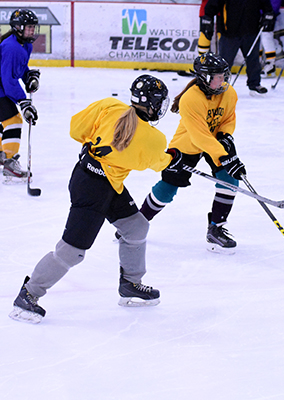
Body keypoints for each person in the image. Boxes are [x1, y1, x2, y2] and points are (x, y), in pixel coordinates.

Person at [9, 74, 183, 324]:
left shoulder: (109, 106)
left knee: (136, 226)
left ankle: (131, 284)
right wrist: (172, 160)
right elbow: (156, 163)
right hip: (93, 191)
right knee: (72, 251)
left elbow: (76, 129)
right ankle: (29, 294)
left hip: (91, 178)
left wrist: (93, 145)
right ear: (154, 104)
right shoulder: (152, 138)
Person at [137, 53, 247, 255]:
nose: (222, 81)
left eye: (223, 76)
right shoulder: (191, 99)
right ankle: (136, 223)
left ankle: (216, 228)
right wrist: (224, 155)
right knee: (168, 187)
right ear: (204, 78)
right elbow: (199, 137)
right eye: (216, 77)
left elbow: (228, 118)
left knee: (230, 180)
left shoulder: (229, 92)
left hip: (215, 140)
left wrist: (225, 136)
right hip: (188, 143)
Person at [0, 9, 40, 181]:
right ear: (18, 27)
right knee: (13, 120)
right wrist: (23, 101)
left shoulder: (25, 44)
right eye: (29, 27)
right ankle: (9, 161)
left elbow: (20, 68)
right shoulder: (11, 47)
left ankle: (3, 154)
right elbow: (8, 80)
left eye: (33, 27)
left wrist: (28, 76)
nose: (32, 31)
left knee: (5, 122)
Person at [202, 0, 273, 95]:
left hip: (251, 30)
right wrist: (208, 18)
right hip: (229, 32)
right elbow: (212, 5)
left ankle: (254, 84)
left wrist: (268, 16)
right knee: (224, 62)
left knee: (253, 60)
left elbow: (267, 6)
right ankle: (219, 85)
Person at [260, 0, 282, 78]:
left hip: (267, 13)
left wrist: (271, 11)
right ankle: (256, 63)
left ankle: (271, 64)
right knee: (256, 37)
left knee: (266, 35)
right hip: (254, 13)